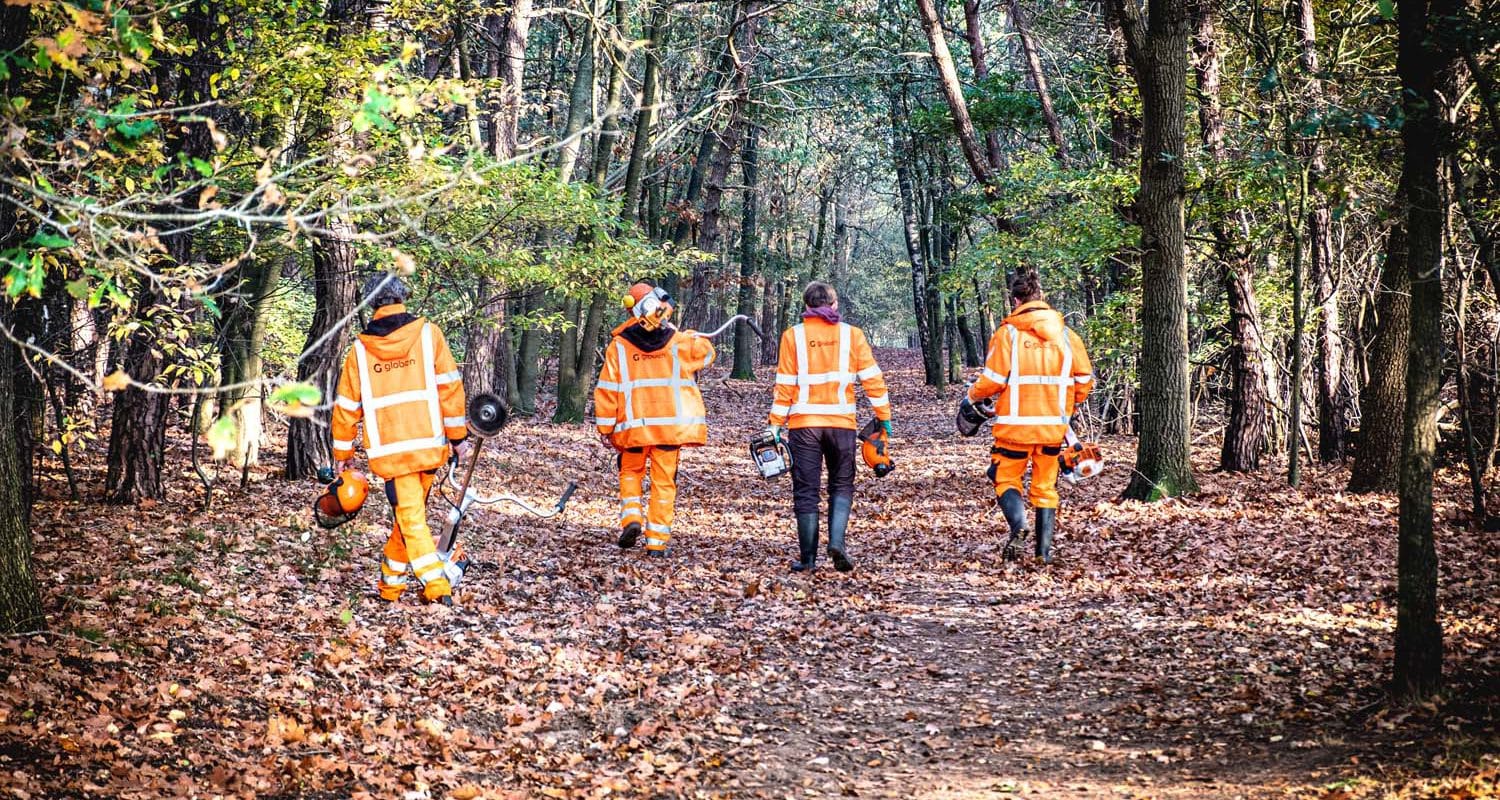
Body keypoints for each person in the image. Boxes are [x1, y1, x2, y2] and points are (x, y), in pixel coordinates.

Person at [332, 274, 471, 606]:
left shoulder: (360, 351)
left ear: (371, 303)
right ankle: (412, 586)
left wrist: (343, 451)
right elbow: (450, 390)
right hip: (428, 445)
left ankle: (421, 585)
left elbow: (346, 406)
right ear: (402, 296)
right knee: (410, 517)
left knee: (409, 518)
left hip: (392, 453)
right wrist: (458, 438)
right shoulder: (429, 335)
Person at [965, 269, 1093, 563]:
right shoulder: (1066, 335)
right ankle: (1043, 554)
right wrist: (1069, 405)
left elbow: (993, 380)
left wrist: (971, 396)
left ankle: (1019, 525)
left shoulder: (1008, 334)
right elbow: (1084, 379)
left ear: (1015, 299)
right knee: (1045, 487)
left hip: (1014, 428)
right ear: (1041, 296)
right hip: (1052, 430)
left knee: (1004, 476)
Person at [767, 281, 891, 573]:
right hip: (841, 425)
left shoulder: (792, 336)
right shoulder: (853, 335)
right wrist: (883, 417)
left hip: (804, 425)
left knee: (806, 490)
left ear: (807, 307)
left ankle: (808, 559)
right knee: (841, 484)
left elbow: (784, 385)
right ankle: (837, 542)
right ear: (834, 305)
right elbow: (873, 379)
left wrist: (775, 425)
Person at [593, 282, 716, 558]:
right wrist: (689, 335)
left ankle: (632, 519)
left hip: (633, 429)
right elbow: (707, 354)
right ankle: (656, 543)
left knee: (629, 473)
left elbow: (606, 388)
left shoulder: (619, 345)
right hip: (669, 431)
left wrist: (605, 427)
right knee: (664, 483)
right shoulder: (678, 341)